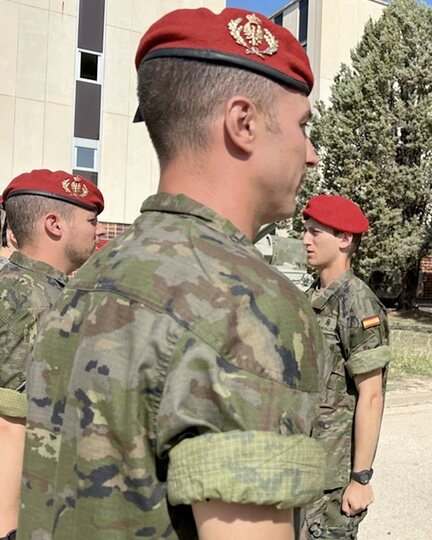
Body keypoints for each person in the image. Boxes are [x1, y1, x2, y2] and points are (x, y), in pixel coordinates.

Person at [18, 8, 330, 539]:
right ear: (244, 124)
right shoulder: (246, 306)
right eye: (303, 127)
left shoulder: (88, 280)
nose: (313, 155)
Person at [0, 170, 104, 539]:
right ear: (54, 225)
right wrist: (10, 530)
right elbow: (8, 421)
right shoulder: (24, 297)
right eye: (91, 221)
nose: (99, 231)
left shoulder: (46, 291)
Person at [300, 195, 389, 539]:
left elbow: (371, 395)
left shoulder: (357, 301)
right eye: (305, 231)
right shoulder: (312, 296)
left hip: (332, 479)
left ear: (344, 239)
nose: (305, 240)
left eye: (314, 232)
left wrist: (360, 478)